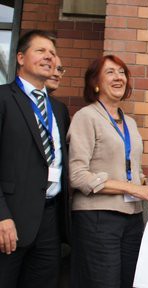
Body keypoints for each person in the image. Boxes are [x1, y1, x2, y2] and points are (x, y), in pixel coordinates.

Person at [67, 55, 148, 288]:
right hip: (97, 217)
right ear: (95, 82)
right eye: (110, 72)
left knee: (129, 282)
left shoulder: (129, 123)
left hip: (132, 216)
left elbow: (130, 167)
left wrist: (144, 182)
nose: (118, 77)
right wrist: (130, 187)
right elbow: (77, 175)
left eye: (122, 72)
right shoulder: (86, 117)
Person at [0, 30, 71, 288]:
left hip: (50, 219)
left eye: (52, 53)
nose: (49, 57)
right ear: (20, 57)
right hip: (10, 219)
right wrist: (1, 216)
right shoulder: (3, 98)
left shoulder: (59, 110)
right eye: (41, 51)